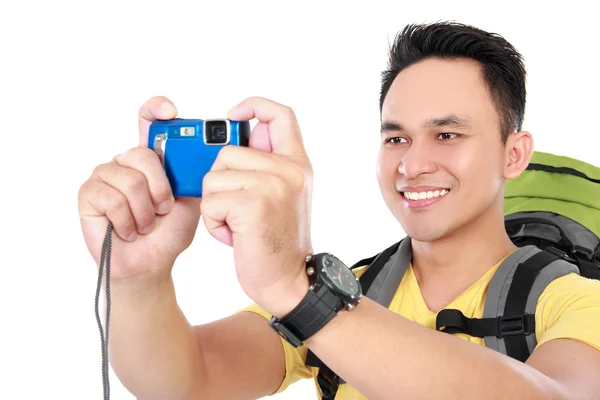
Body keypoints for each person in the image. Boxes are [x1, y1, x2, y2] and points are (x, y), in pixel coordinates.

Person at [78, 21, 600, 400]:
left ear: (515, 154)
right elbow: (187, 380)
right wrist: (137, 282)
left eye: (447, 134)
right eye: (396, 137)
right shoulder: (356, 290)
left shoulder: (576, 300)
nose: (413, 163)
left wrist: (300, 294)